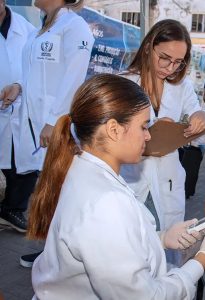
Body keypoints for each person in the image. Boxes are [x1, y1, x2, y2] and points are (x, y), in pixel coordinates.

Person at [27, 74, 205, 299]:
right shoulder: (105, 201)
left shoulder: (87, 169)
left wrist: (162, 238)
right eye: (144, 126)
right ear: (114, 130)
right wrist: (203, 259)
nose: (148, 135)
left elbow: (115, 246)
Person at [2, 0, 94, 267]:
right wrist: (18, 86)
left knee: (65, 192)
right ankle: (53, 255)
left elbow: (74, 76)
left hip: (58, 127)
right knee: (53, 192)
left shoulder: (74, 26)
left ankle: (66, 260)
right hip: (37, 127)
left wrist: (55, 120)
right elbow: (36, 75)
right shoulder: (39, 30)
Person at [120, 19, 205, 231]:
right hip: (129, 183)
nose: (170, 68)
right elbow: (98, 135)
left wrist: (203, 117)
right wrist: (149, 130)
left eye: (178, 62)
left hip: (168, 185)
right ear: (148, 47)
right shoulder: (121, 84)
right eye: (164, 58)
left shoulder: (182, 87)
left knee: (166, 251)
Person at [0, 0, 36, 233]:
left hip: (20, 107)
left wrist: (18, 86)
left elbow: (36, 68)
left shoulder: (26, 29)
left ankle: (12, 209)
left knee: (22, 164)